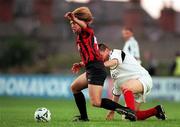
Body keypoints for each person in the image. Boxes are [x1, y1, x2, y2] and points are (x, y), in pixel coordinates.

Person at [64, 7, 136, 122]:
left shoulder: (87, 31)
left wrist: (73, 17)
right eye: (71, 23)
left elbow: (84, 26)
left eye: (74, 23)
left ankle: (127, 110)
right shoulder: (81, 37)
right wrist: (81, 63)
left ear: (82, 22)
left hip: (96, 69)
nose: (73, 25)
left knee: (96, 102)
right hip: (92, 68)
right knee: (74, 87)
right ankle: (84, 117)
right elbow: (93, 55)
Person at [98, 43, 167, 121]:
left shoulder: (115, 53)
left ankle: (130, 112)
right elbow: (116, 92)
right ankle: (157, 110)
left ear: (107, 50)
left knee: (126, 89)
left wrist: (99, 65)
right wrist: (111, 111)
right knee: (127, 118)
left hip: (142, 79)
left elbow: (115, 61)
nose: (100, 58)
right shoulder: (113, 71)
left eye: (100, 55)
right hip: (132, 89)